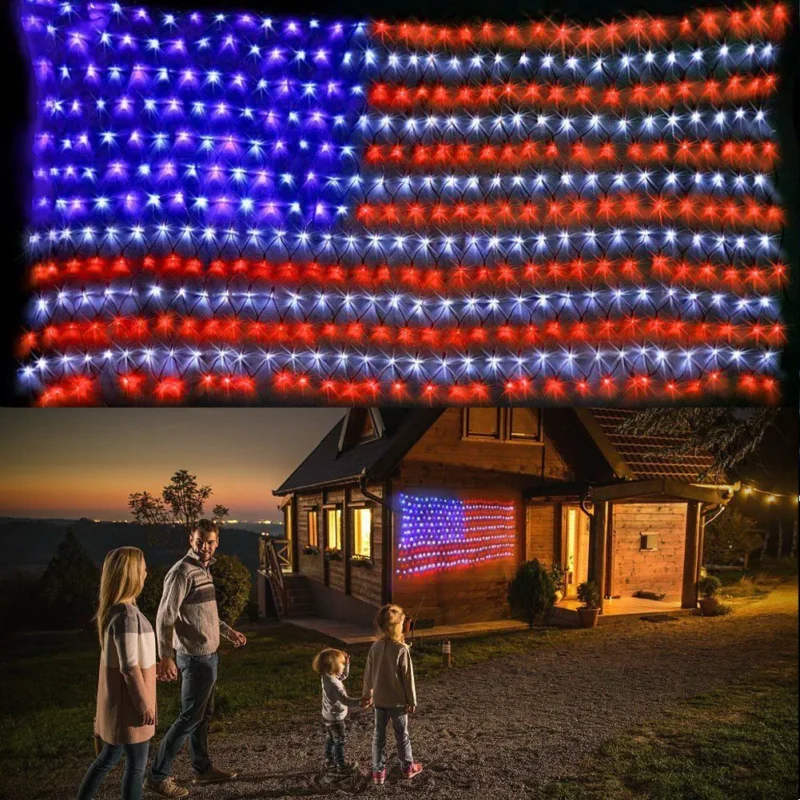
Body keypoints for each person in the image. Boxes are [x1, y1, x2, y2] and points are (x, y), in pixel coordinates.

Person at [144, 520, 247, 798]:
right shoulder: (182, 572)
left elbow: (206, 615)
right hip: (194, 658)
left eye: (210, 542)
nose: (205, 547)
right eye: (200, 541)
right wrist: (164, 656)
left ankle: (202, 770)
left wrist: (228, 632)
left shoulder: (205, 570)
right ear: (191, 539)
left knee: (202, 716)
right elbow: (165, 616)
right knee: (189, 718)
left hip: (209, 657)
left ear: (217, 543)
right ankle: (156, 776)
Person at [77, 547, 156, 800]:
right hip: (130, 707)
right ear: (131, 573)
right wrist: (144, 705)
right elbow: (130, 668)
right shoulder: (125, 615)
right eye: (142, 567)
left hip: (120, 704)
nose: (146, 572)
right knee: (136, 767)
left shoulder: (118, 611)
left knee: (108, 757)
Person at [362, 604, 423, 785]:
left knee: (378, 735)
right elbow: (408, 678)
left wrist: (367, 694)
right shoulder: (401, 649)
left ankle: (378, 772)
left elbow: (368, 673)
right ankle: (407, 768)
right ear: (397, 626)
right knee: (402, 735)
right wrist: (411, 700)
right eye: (403, 623)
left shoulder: (375, 647)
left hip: (379, 701)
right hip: (397, 702)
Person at [312, 648, 371, 774]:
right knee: (340, 741)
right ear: (333, 666)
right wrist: (360, 702)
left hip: (327, 715)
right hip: (336, 718)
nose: (343, 665)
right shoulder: (334, 685)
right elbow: (345, 700)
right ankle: (341, 764)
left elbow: (342, 676)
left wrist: (348, 664)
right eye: (342, 663)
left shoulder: (327, 677)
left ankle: (329, 761)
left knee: (330, 738)